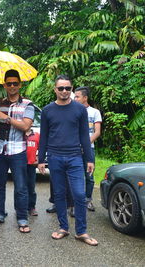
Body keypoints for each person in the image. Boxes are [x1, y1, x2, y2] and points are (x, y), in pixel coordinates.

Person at [38, 74, 98, 246]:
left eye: (68, 88)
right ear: (55, 89)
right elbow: (44, 137)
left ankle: (81, 231)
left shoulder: (79, 110)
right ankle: (63, 227)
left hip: (75, 158)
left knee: (79, 194)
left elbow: (84, 137)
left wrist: (89, 159)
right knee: (59, 194)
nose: (64, 91)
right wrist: (41, 159)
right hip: (55, 157)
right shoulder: (48, 110)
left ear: (71, 89)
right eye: (61, 88)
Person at [0, 69, 34, 233]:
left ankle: (22, 217)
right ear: (4, 85)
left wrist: (6, 117)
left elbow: (26, 126)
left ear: (20, 85)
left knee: (21, 187)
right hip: (0, 149)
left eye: (15, 83)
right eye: (9, 84)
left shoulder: (28, 105)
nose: (12, 86)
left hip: (18, 150)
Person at [74, 86, 102, 211]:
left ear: (85, 98)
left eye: (77, 96)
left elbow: (97, 132)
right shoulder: (72, 111)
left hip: (89, 148)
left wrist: (85, 144)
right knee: (75, 175)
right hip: (74, 149)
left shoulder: (94, 112)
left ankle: (88, 200)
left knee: (89, 176)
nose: (75, 98)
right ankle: (75, 202)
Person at [26, 129, 40, 216]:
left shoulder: (37, 134)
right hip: (19, 164)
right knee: (20, 188)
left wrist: (38, 158)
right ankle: (20, 208)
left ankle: (31, 207)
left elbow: (41, 148)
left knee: (31, 187)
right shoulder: (19, 134)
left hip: (31, 164)